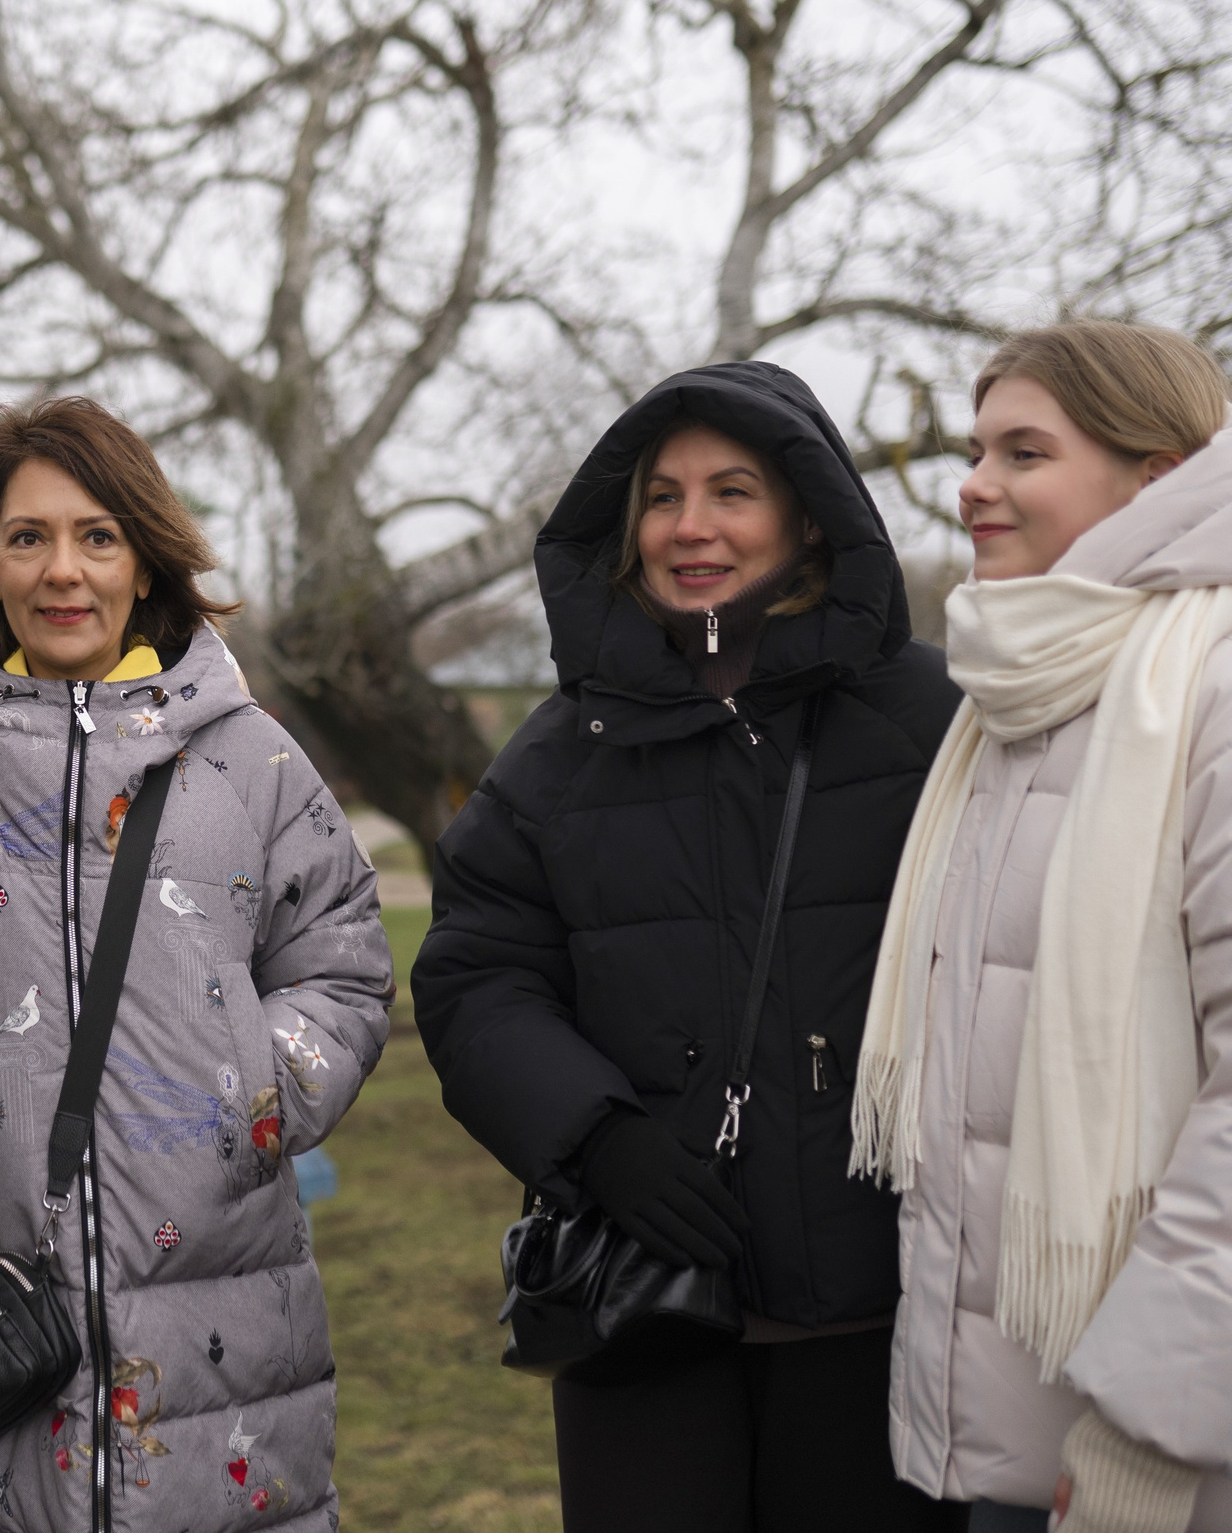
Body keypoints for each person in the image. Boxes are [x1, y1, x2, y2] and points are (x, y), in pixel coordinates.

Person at [0, 396, 391, 1532]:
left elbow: (345, 967)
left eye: (96, 535)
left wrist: (250, 1095)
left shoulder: (253, 763)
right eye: (26, 537)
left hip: (217, 1370)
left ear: (144, 558)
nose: (60, 571)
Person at [411, 362, 967, 1531]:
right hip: (645, 1311)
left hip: (883, 1308)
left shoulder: (933, 718)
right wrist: (592, 1135)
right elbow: (474, 975)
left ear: (806, 512)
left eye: (732, 492)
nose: (690, 527)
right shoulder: (561, 749)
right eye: (661, 497)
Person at [853, 321, 1232, 1532]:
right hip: (1010, 1448)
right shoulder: (1015, 710)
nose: (971, 484)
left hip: (1175, 1470)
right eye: (973, 447)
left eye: (1022, 453)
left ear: (1158, 477)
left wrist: (1153, 1436)